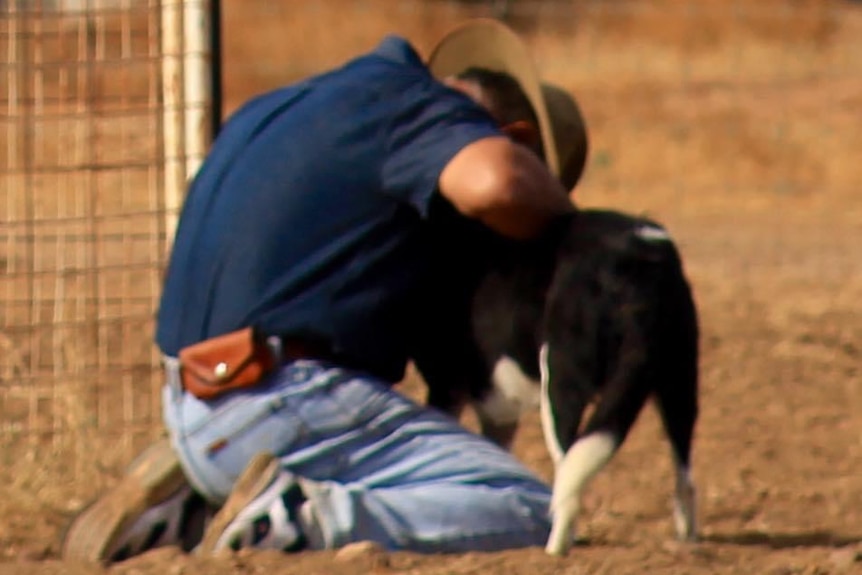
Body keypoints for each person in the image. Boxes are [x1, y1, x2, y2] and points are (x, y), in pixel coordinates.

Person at [62, 18, 590, 563]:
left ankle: (190, 507)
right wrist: (576, 237)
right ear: (518, 138)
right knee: (533, 509)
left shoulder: (291, 106)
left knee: (407, 468)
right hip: (282, 397)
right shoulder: (420, 108)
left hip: (191, 401)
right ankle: (291, 517)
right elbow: (498, 184)